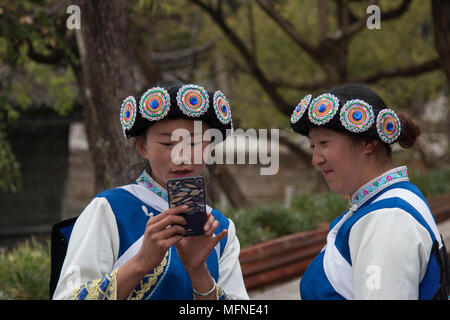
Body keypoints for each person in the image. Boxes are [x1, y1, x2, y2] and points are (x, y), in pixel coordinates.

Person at [52, 83, 249, 300]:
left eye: (194, 142)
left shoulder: (221, 229)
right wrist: (141, 262)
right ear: (142, 147)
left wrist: (198, 272)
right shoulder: (109, 210)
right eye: (167, 143)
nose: (181, 156)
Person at [290, 83, 449, 300]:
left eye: (324, 143)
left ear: (367, 142)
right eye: (313, 147)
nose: (316, 159)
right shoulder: (387, 204)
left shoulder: (388, 218)